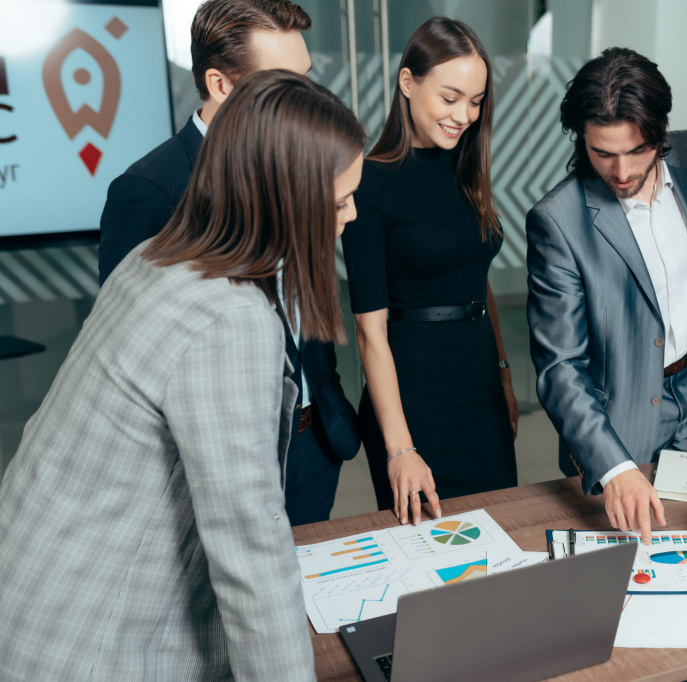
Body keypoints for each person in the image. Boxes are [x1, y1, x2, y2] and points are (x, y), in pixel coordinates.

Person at [0, 70, 364, 681]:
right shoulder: (229, 319)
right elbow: (247, 543)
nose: (351, 216)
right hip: (93, 641)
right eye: (338, 201)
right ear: (286, 201)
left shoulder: (159, 256)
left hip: (36, 594)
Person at [99, 0, 360, 525]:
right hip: (217, 467)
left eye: (306, 78)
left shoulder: (304, 161)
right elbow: (134, 355)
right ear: (220, 85)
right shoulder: (149, 191)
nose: (306, 100)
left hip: (315, 439)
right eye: (284, 84)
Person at [527, 47, 687, 545]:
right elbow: (559, 366)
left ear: (660, 132)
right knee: (630, 571)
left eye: (637, 150)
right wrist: (614, 466)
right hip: (617, 418)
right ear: (582, 140)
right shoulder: (559, 219)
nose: (620, 170)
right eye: (602, 152)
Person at [342, 17, 517, 526]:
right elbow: (369, 331)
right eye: (450, 97)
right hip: (411, 397)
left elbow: (473, 276)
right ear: (407, 82)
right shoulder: (368, 182)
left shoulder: (466, 169)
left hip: (480, 389)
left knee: (498, 544)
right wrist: (400, 450)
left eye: (476, 101)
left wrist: (504, 375)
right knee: (429, 559)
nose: (464, 115)